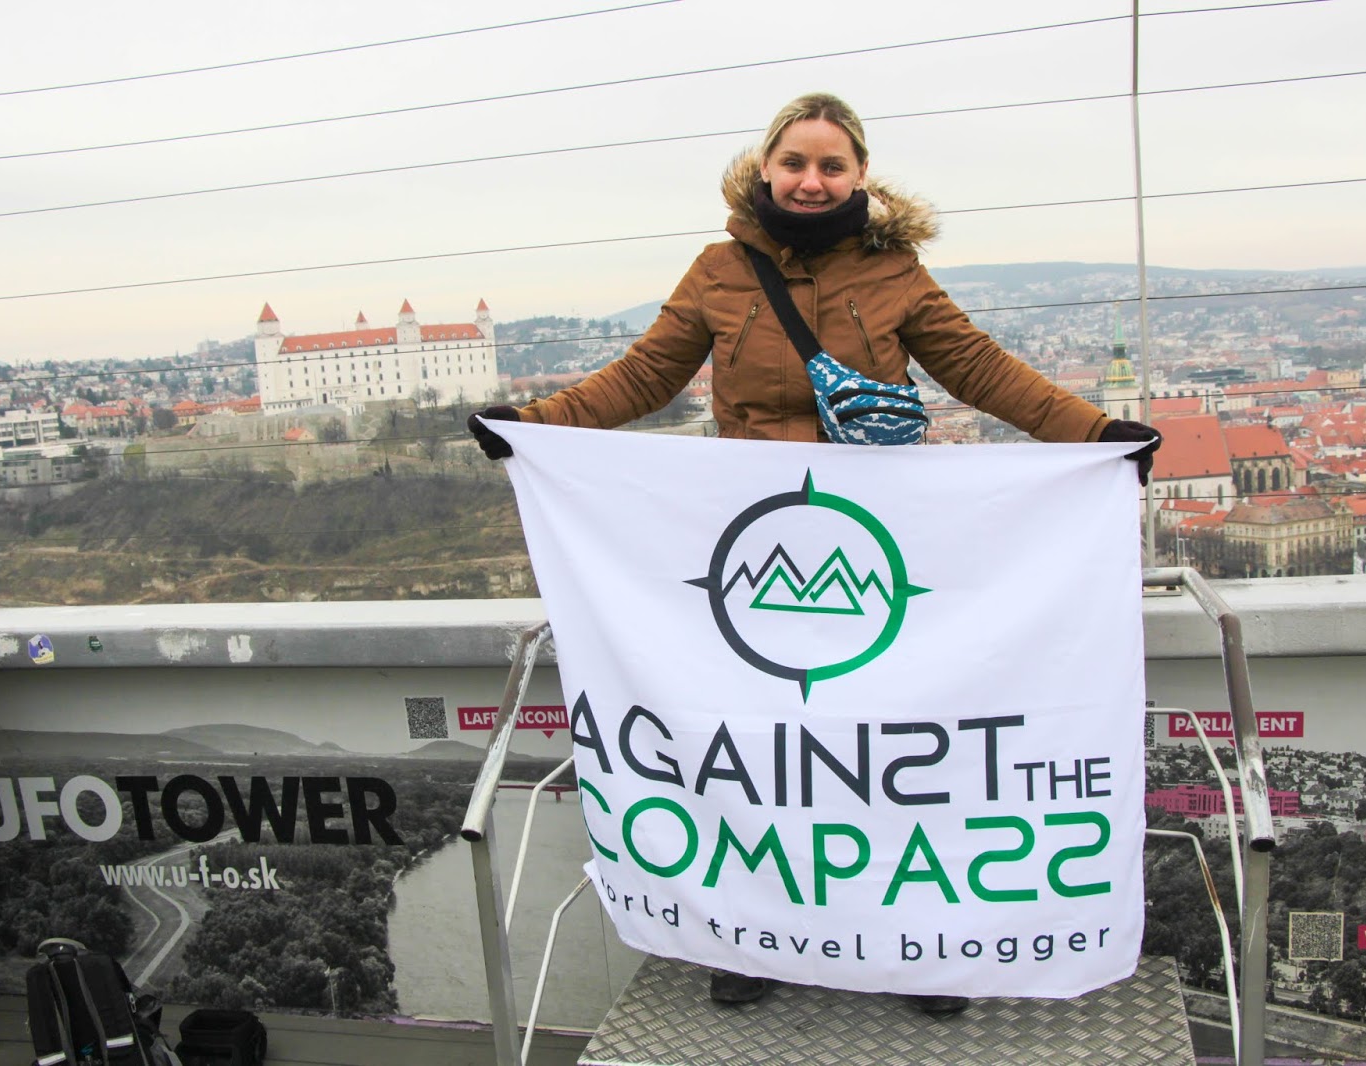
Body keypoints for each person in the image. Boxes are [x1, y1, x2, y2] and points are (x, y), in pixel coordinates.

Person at [468, 92, 1159, 1015]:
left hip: (876, 540)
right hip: (754, 541)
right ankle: (753, 935)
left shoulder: (894, 271)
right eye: (795, 162)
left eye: (832, 165)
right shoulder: (720, 270)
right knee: (769, 746)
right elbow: (647, 374)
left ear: (860, 175)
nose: (811, 180)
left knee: (882, 746)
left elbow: (980, 368)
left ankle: (921, 947)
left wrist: (1095, 435)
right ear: (766, 168)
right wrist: (535, 424)